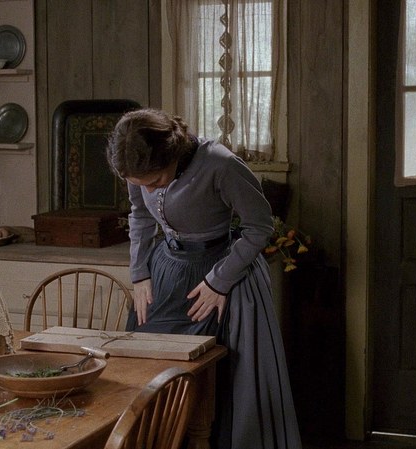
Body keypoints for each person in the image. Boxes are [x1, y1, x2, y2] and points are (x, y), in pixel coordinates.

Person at [106, 108, 302, 449]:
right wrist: (139, 273)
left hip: (223, 273)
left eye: (155, 181)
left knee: (219, 375)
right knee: (152, 369)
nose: (148, 189)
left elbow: (259, 228)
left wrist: (219, 281)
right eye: (140, 184)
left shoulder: (220, 164)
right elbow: (140, 216)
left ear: (171, 155)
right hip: (166, 270)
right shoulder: (135, 164)